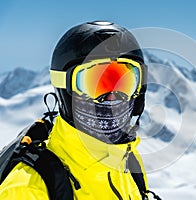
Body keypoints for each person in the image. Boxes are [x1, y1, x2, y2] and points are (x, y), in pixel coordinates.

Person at [0, 21, 150, 199]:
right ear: (65, 90)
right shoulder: (28, 189)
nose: (112, 98)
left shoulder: (129, 163)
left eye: (124, 83)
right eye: (95, 84)